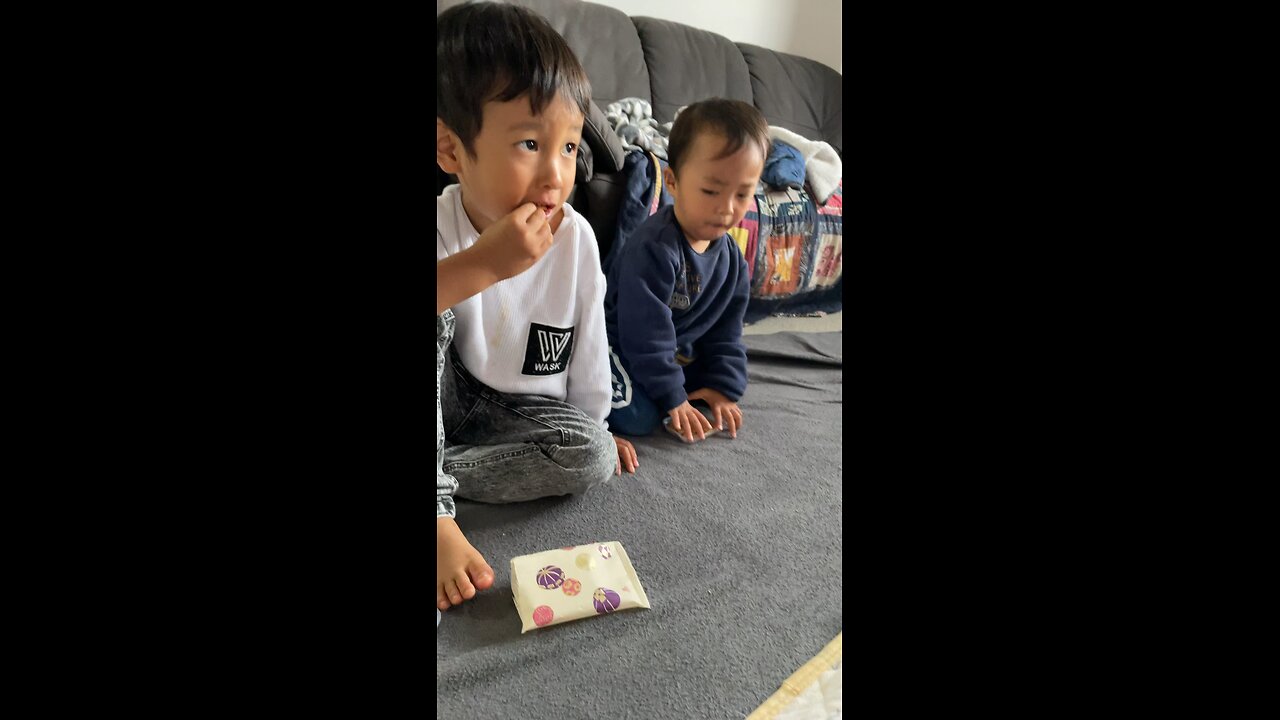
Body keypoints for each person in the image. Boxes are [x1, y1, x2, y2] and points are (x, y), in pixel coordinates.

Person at [436, 1, 639, 617]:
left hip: (513, 417)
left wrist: (596, 428)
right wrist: (482, 266)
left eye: (571, 147)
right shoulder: (443, 224)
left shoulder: (574, 238)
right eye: (530, 142)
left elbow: (589, 346)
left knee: (593, 454)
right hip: (449, 388)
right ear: (450, 150)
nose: (556, 174)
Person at [603, 99, 768, 443]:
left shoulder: (733, 261)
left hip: (674, 353)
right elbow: (645, 334)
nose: (726, 208)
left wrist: (724, 387)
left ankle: (673, 390)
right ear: (673, 182)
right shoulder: (654, 248)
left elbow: (726, 331)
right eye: (710, 191)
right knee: (639, 417)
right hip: (621, 345)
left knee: (713, 387)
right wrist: (673, 397)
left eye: (743, 194)